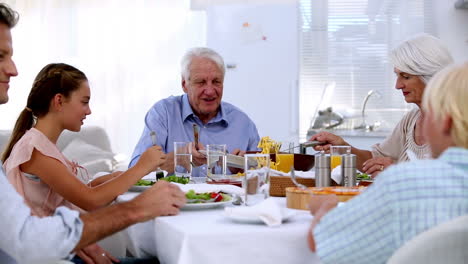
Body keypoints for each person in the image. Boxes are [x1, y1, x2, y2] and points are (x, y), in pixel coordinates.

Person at [0, 3, 186, 264]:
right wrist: (139, 168)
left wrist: (114, 177)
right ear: (59, 101)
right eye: (84, 101)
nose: (89, 110)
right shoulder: (34, 149)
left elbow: (77, 190)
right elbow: (90, 201)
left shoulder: (42, 145)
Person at [307, 62, 468, 264]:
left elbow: (322, 246)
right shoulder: (409, 123)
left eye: (429, 115)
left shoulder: (402, 186)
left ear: (447, 122)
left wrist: (325, 209)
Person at [309, 33, 454, 177]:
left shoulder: (457, 123)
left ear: (431, 76)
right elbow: (375, 160)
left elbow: (451, 184)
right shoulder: (411, 120)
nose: (398, 85)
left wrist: (396, 173)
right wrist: (341, 147)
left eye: (406, 77)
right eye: (397, 76)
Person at [129, 47, 260, 177]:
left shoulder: (243, 123)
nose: (210, 91)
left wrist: (241, 169)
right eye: (201, 82)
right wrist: (178, 158)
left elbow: (264, 175)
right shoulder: (163, 114)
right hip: (173, 198)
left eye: (216, 82)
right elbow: (133, 174)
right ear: (184, 84)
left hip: (229, 198)